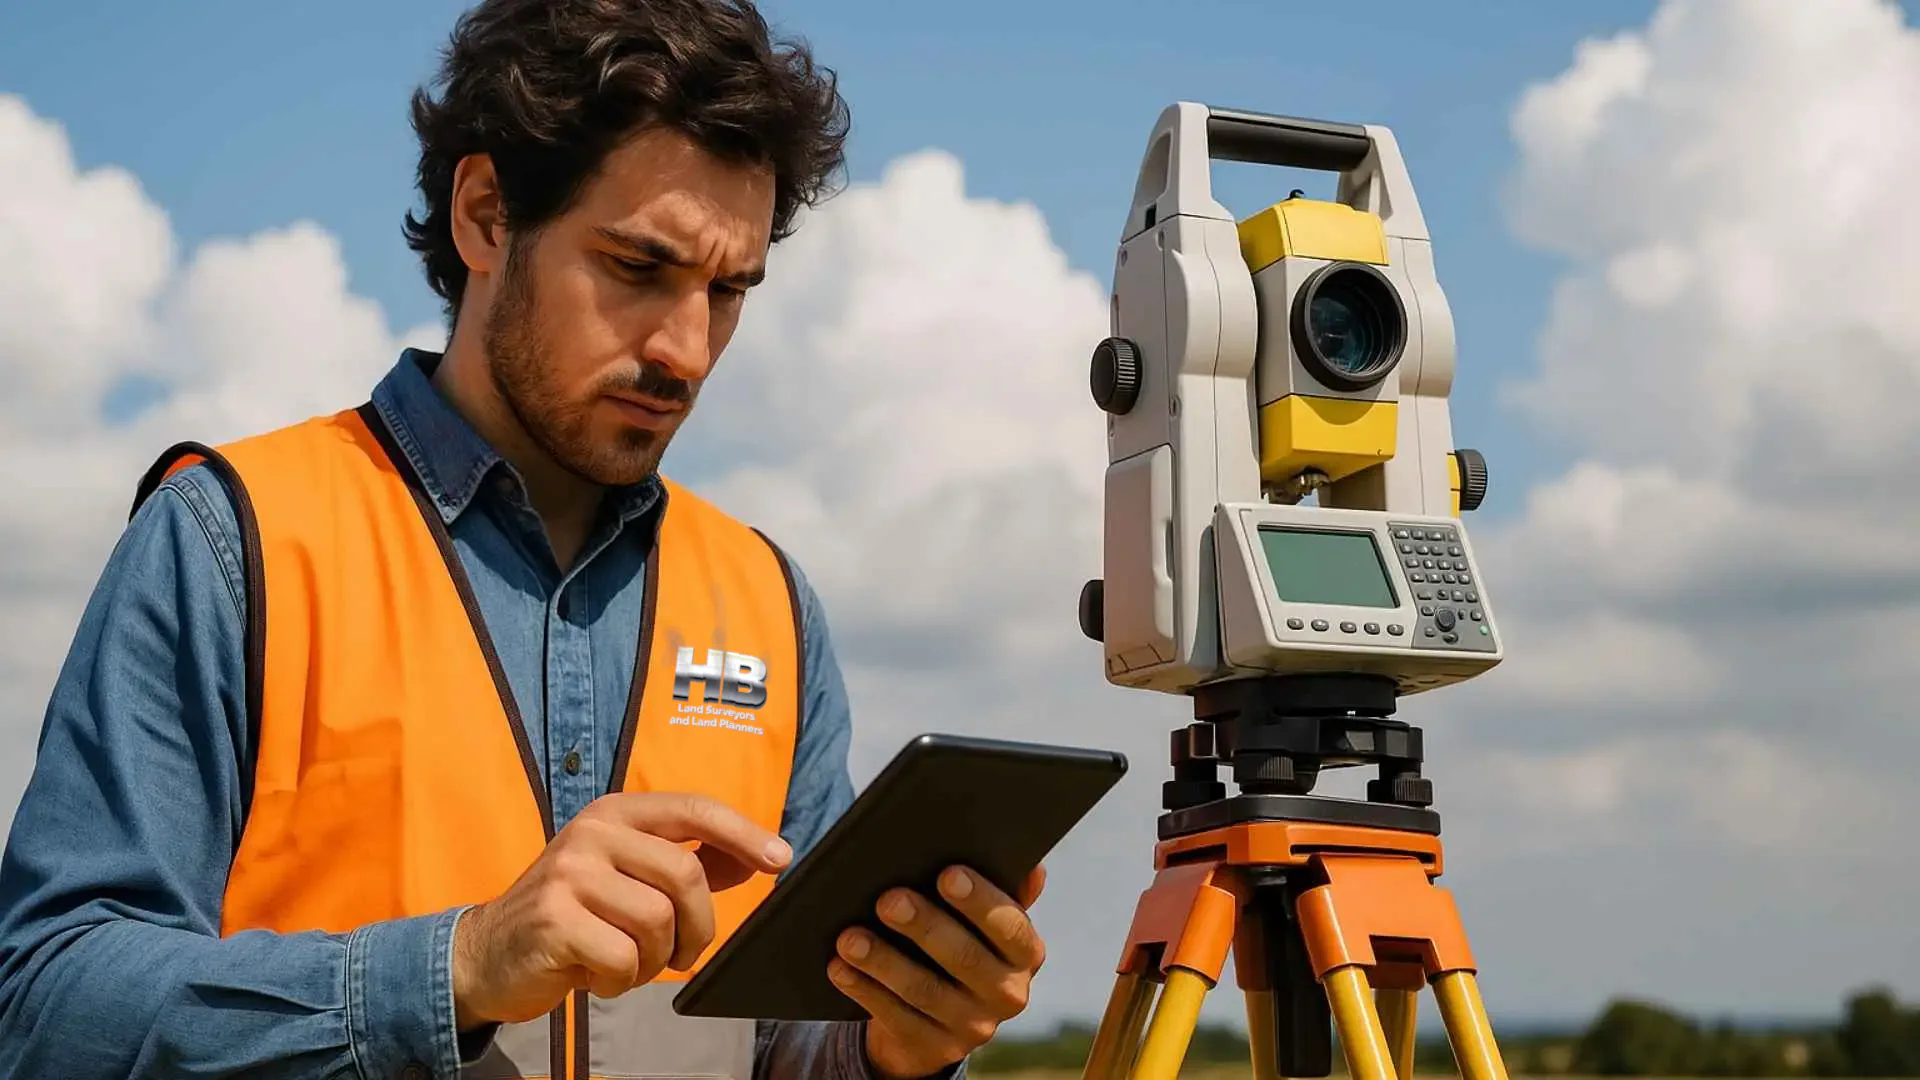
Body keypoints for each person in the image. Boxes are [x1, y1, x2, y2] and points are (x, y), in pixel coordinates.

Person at [0, 0, 1050, 1077]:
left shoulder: (771, 603)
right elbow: (46, 1007)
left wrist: (896, 1043)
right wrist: (460, 966)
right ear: (487, 215)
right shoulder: (233, 539)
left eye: (727, 290)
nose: (687, 350)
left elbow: (784, 1047)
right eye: (639, 268)